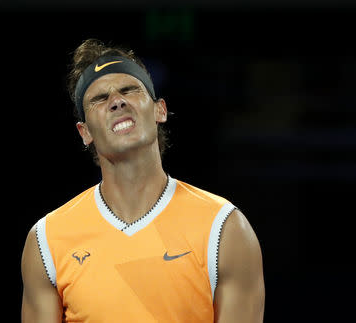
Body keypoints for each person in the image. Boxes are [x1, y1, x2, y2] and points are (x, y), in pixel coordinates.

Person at [21, 38, 265, 323]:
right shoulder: (46, 240)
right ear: (84, 132)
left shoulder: (225, 229)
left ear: (159, 110)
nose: (117, 101)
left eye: (129, 89)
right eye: (99, 99)